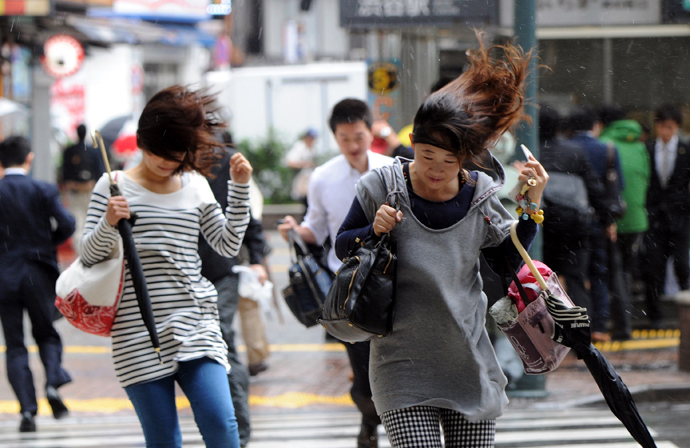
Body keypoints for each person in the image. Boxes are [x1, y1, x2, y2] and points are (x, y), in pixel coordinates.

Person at [334, 33, 545, 447]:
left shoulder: (480, 195)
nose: (435, 170)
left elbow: (508, 261)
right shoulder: (383, 185)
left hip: (467, 361)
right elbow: (343, 245)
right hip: (400, 366)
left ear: (464, 158)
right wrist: (372, 230)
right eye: (427, 156)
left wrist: (530, 205)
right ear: (413, 143)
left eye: (449, 162)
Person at [80, 85, 253, 448]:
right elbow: (88, 256)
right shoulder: (112, 186)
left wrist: (239, 189)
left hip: (196, 321)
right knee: (163, 441)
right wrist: (108, 224)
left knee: (222, 425)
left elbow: (226, 244)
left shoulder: (196, 185)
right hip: (136, 330)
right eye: (156, 150)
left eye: (174, 153)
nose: (163, 161)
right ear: (142, 141)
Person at [278, 98, 392, 448]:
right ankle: (368, 417)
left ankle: (387, 420)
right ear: (335, 137)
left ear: (370, 130)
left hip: (392, 282)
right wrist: (295, 231)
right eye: (345, 139)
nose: (354, 145)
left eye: (359, 136)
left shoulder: (393, 169)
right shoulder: (323, 177)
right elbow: (317, 229)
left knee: (395, 362)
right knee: (361, 366)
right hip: (348, 288)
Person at [0, 136, 75, 432]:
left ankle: (27, 412)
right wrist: (47, 246)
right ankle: (54, 381)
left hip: (4, 274)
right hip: (39, 272)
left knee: (15, 345)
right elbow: (67, 223)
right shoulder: (42, 189)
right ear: (28, 158)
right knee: (46, 333)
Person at [199, 141, 268, 448]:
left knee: (222, 341)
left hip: (221, 269)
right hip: (186, 274)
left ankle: (240, 433)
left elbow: (247, 215)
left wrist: (257, 258)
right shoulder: (173, 160)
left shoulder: (229, 160)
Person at [539, 105, 611, 319]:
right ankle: (581, 336)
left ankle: (548, 334)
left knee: (540, 281)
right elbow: (595, 190)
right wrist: (606, 220)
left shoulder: (530, 153)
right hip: (575, 227)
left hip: (543, 227)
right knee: (577, 279)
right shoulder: (574, 152)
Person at [567, 105, 624, 342]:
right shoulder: (607, 149)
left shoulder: (567, 150)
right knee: (599, 272)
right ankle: (599, 325)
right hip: (598, 221)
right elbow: (617, 188)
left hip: (570, 220)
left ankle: (578, 326)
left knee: (575, 275)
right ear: (596, 126)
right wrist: (608, 219)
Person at [599, 104, 650, 339]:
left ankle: (622, 326)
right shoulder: (640, 146)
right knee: (628, 272)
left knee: (615, 273)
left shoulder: (606, 144)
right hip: (638, 219)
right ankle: (630, 318)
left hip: (614, 221)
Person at [643, 104, 690, 329]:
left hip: (679, 217)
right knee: (653, 267)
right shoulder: (648, 147)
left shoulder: (685, 149)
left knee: (683, 265)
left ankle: (686, 315)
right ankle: (655, 317)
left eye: (670, 127)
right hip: (655, 218)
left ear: (677, 127)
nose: (665, 132)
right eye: (662, 127)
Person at [60, 123, 105, 254]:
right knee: (92, 222)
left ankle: (82, 253)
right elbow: (100, 171)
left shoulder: (69, 150)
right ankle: (89, 252)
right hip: (91, 191)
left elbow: (64, 173)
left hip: (76, 191)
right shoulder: (93, 151)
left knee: (78, 224)